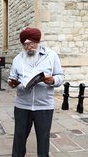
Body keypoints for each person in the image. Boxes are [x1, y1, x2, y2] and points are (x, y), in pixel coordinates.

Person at [8, 27, 64, 157]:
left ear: (38, 41)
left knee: (43, 140)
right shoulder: (17, 59)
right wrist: (12, 82)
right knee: (19, 138)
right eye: (25, 44)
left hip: (44, 106)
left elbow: (60, 76)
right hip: (22, 105)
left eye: (31, 43)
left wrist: (53, 80)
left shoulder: (52, 56)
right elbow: (12, 78)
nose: (28, 47)